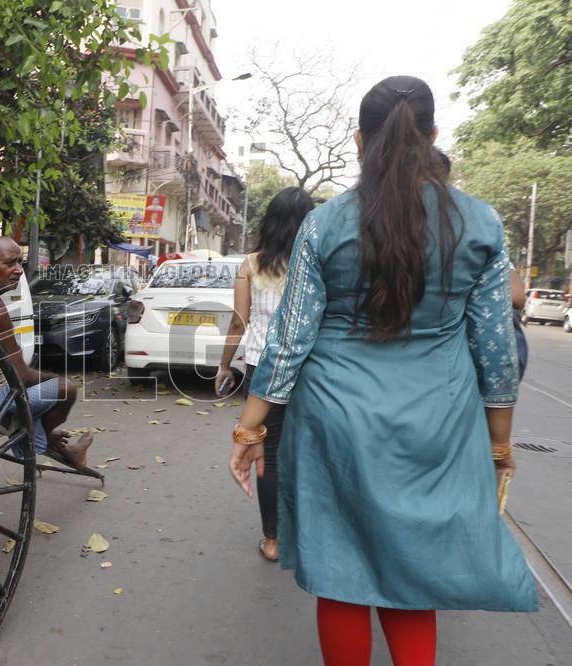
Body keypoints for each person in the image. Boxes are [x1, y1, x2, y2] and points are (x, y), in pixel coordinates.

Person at [230, 76, 537, 666]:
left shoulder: (324, 225)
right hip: (439, 423)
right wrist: (499, 444)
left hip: (335, 418)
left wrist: (249, 430)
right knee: (412, 571)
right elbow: (495, 351)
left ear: (358, 140)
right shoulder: (481, 225)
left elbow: (290, 340)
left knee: (341, 570)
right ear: (434, 137)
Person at [215, 187, 315, 562]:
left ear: (269, 221)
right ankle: (308, 534)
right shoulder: (316, 262)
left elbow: (239, 323)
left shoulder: (251, 264)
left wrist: (225, 365)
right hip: (310, 366)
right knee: (307, 450)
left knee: (267, 454)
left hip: (262, 366)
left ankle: (273, 539)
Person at [0, 236, 93, 469]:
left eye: (20, 262)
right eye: (9, 263)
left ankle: (56, 442)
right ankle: (48, 439)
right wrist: (54, 378)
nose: (19, 270)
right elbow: (21, 375)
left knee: (42, 388)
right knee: (65, 389)